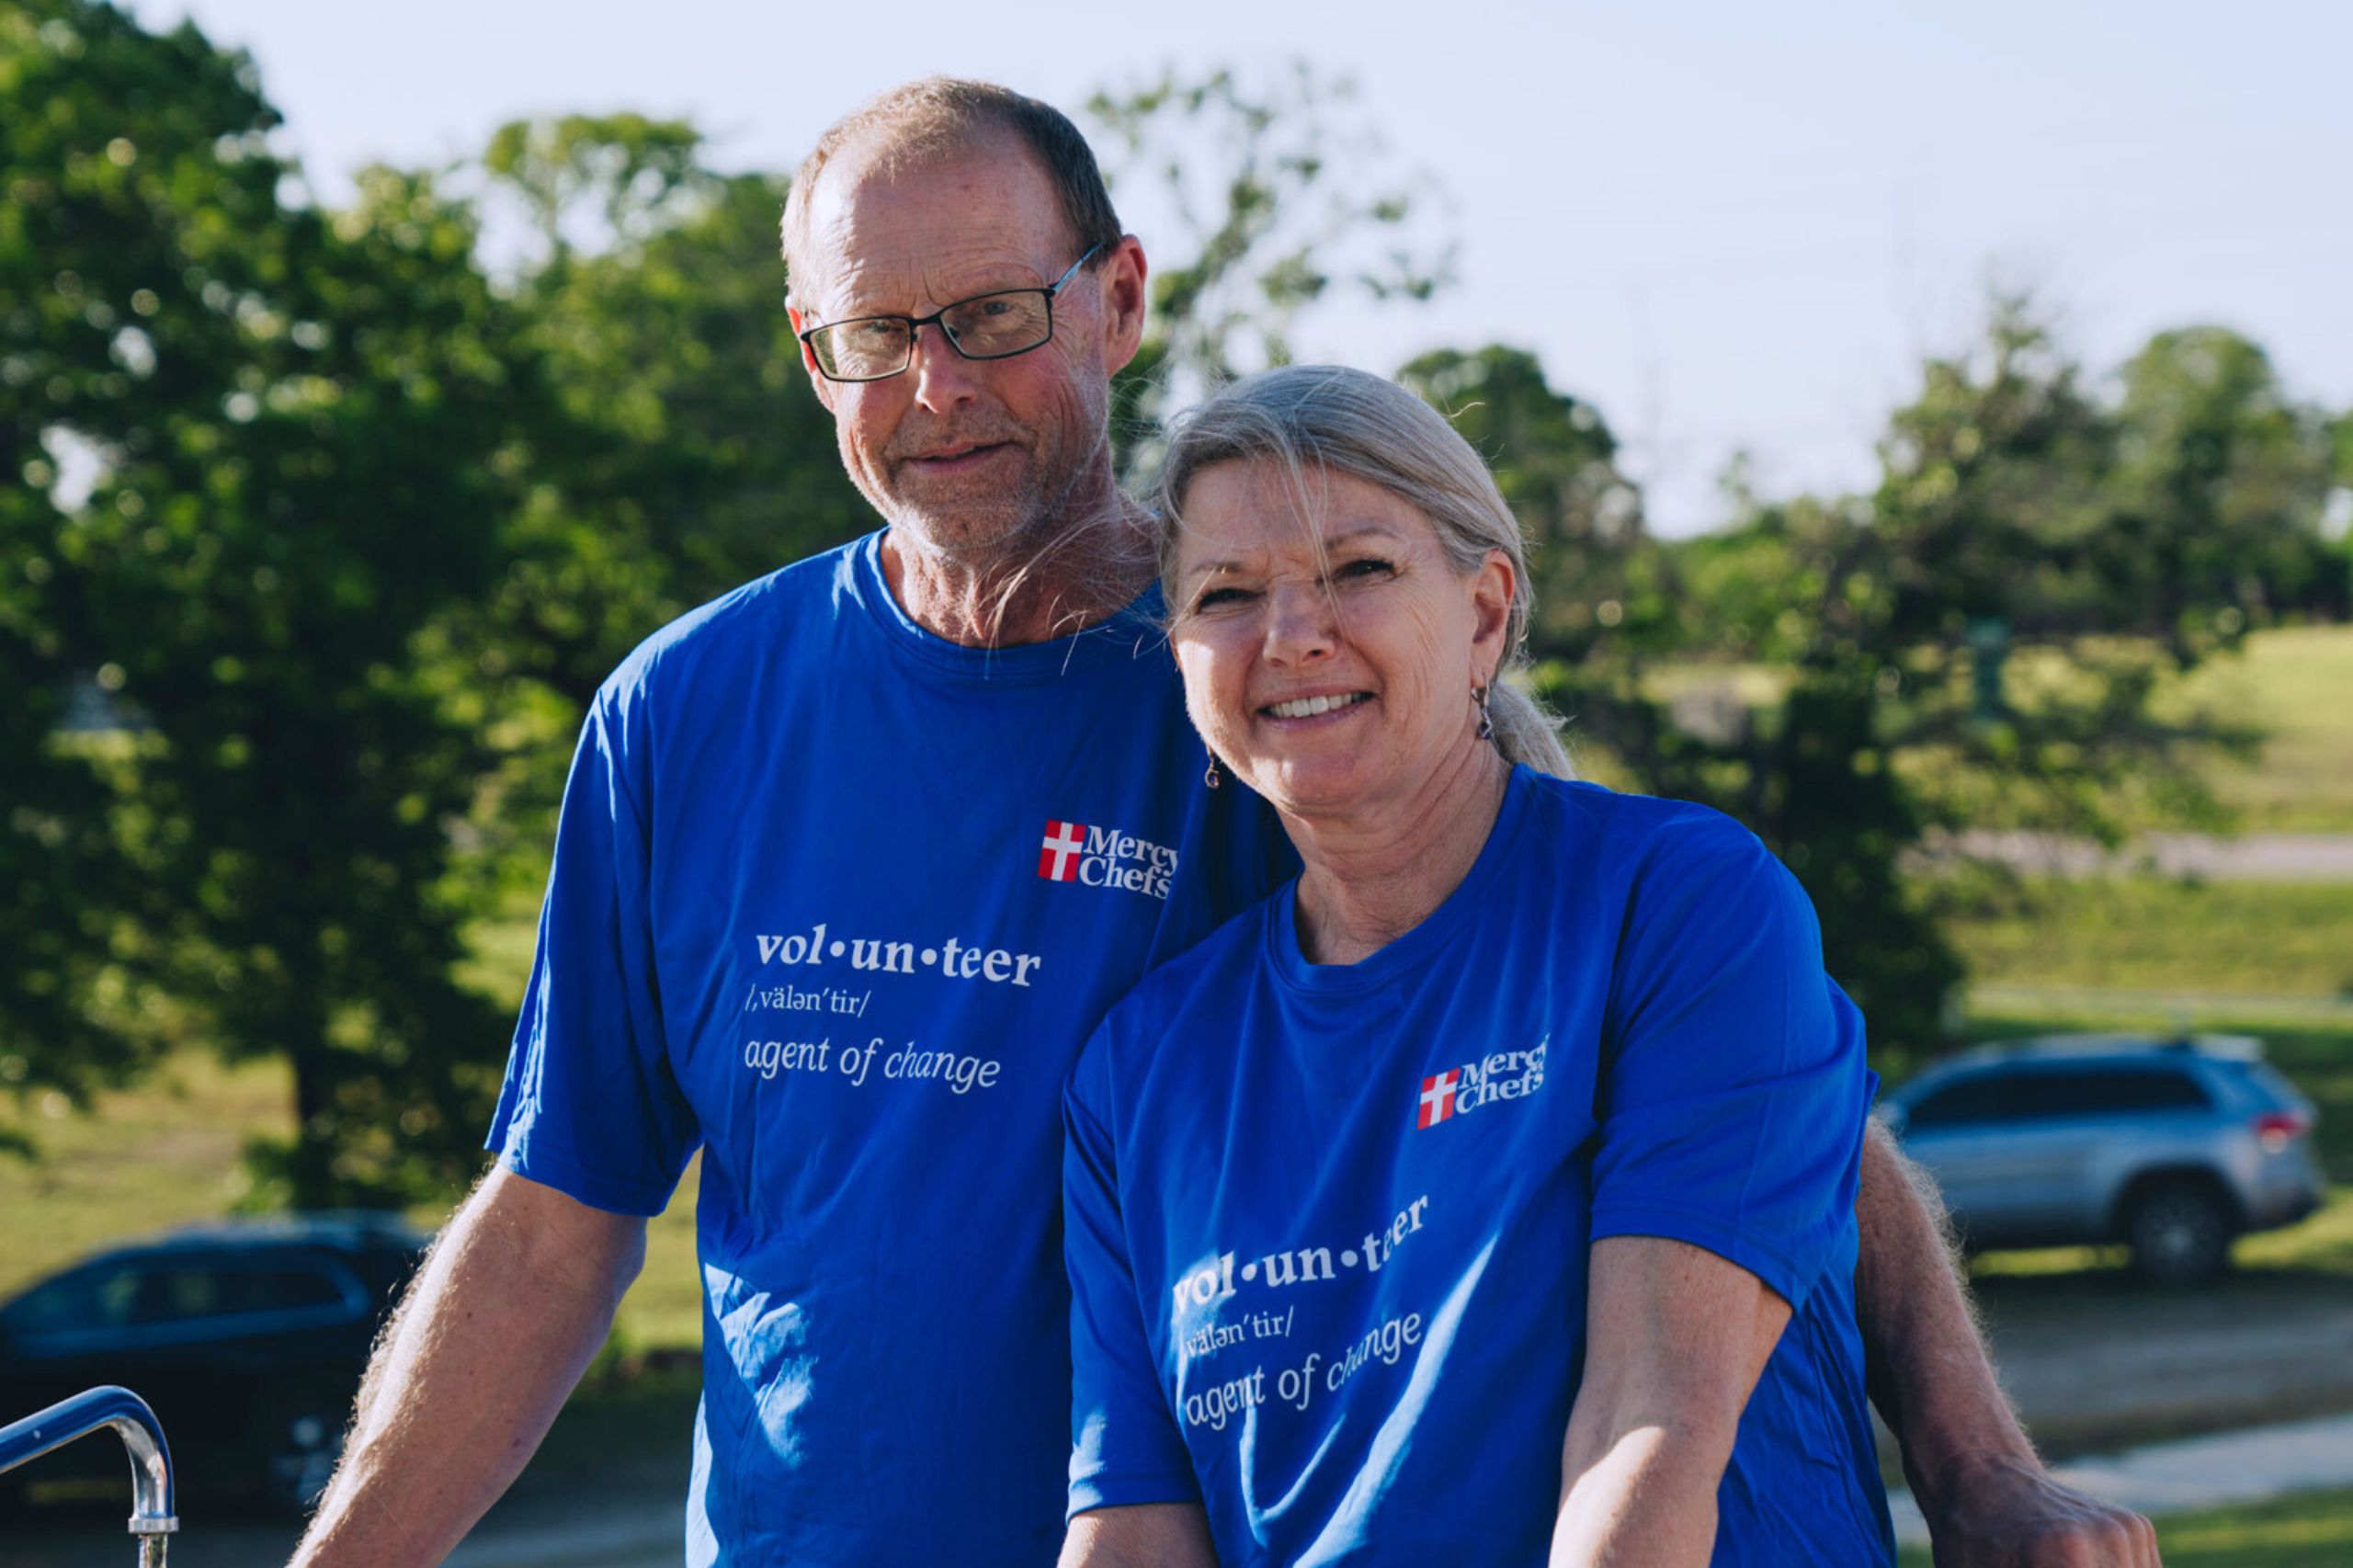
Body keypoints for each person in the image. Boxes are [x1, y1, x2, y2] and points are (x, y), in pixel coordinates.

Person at [287, 78, 2157, 1568]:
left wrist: (1977, 1464)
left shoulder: (1285, 702)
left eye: (996, 317)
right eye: (874, 336)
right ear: (810, 358)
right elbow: (550, 1220)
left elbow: (1715, 1079)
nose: (935, 387)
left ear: (1115, 295)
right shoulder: (681, 717)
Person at [1062, 364, 1889, 1563]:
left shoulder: (1677, 906)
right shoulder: (1138, 1069)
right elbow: (1135, 1527)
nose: (1293, 635)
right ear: (1182, 657)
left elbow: (1647, 1432)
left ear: (1486, 612)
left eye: (1358, 570)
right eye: (1228, 594)